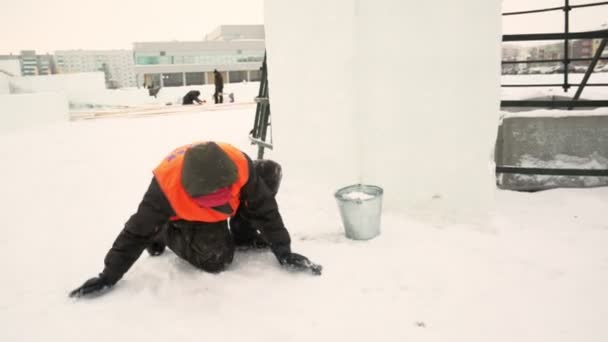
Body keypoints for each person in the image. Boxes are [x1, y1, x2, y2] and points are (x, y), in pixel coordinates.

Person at [70, 141, 321, 298]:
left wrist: (284, 252)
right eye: (216, 203)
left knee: (268, 172)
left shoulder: (239, 165)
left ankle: (243, 235)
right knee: (217, 260)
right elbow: (135, 232)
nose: (223, 207)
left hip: (224, 189)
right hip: (188, 217)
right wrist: (107, 276)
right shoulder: (164, 191)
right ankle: (164, 230)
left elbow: (264, 209)